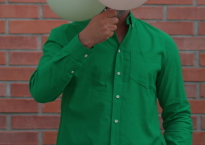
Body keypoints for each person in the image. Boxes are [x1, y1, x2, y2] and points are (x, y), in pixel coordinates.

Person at [29, 8, 193, 144]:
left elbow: (177, 113)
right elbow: (41, 92)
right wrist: (83, 41)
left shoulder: (161, 43)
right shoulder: (64, 36)